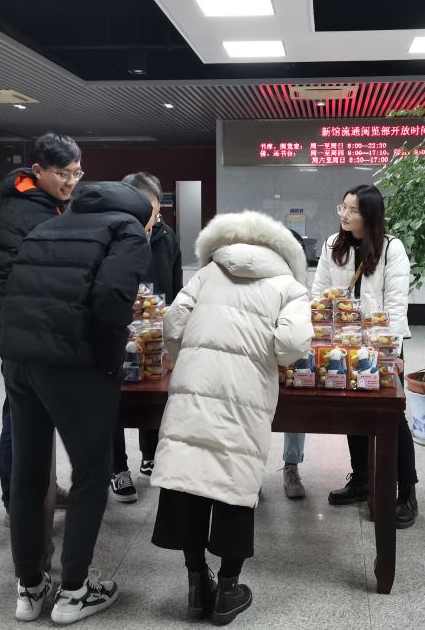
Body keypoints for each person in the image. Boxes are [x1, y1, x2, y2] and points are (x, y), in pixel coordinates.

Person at [0, 181, 153, 624]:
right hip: (72, 364)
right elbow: (112, 296)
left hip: (19, 359)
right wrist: (108, 360)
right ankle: (74, 591)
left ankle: (30, 588)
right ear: (140, 213)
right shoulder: (127, 230)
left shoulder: (48, 226)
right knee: (90, 472)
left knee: (29, 472)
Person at [151, 211, 312, 625]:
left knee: (188, 476)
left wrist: (184, 354)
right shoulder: (289, 286)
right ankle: (227, 591)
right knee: (234, 480)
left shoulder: (208, 273)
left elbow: (173, 322)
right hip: (246, 391)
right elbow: (292, 344)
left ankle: (195, 587)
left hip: (195, 382)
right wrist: (271, 355)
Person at [282, 184, 419, 528]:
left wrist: (391, 352)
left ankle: (406, 491)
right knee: (352, 408)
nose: (344, 214)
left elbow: (396, 304)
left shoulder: (392, 249)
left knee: (393, 416)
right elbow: (319, 296)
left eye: (353, 210)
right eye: (342, 207)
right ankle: (362, 479)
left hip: (382, 345)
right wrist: (316, 338)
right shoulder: (333, 245)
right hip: (342, 343)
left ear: (370, 215)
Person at [0, 132, 83, 521]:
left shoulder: (56, 205)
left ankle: (44, 488)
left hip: (52, 329)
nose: (70, 182)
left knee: (42, 416)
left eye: (76, 173)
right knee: (19, 418)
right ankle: (16, 503)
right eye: (63, 174)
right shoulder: (14, 212)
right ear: (38, 170)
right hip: (24, 334)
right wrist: (12, 335)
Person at [109, 172, 182, 504]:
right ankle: (117, 468)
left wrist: (173, 333)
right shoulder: (110, 234)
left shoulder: (167, 236)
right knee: (114, 397)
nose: (144, 217)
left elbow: (176, 288)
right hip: (116, 330)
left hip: (154, 331)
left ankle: (150, 454)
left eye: (150, 209)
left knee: (153, 390)